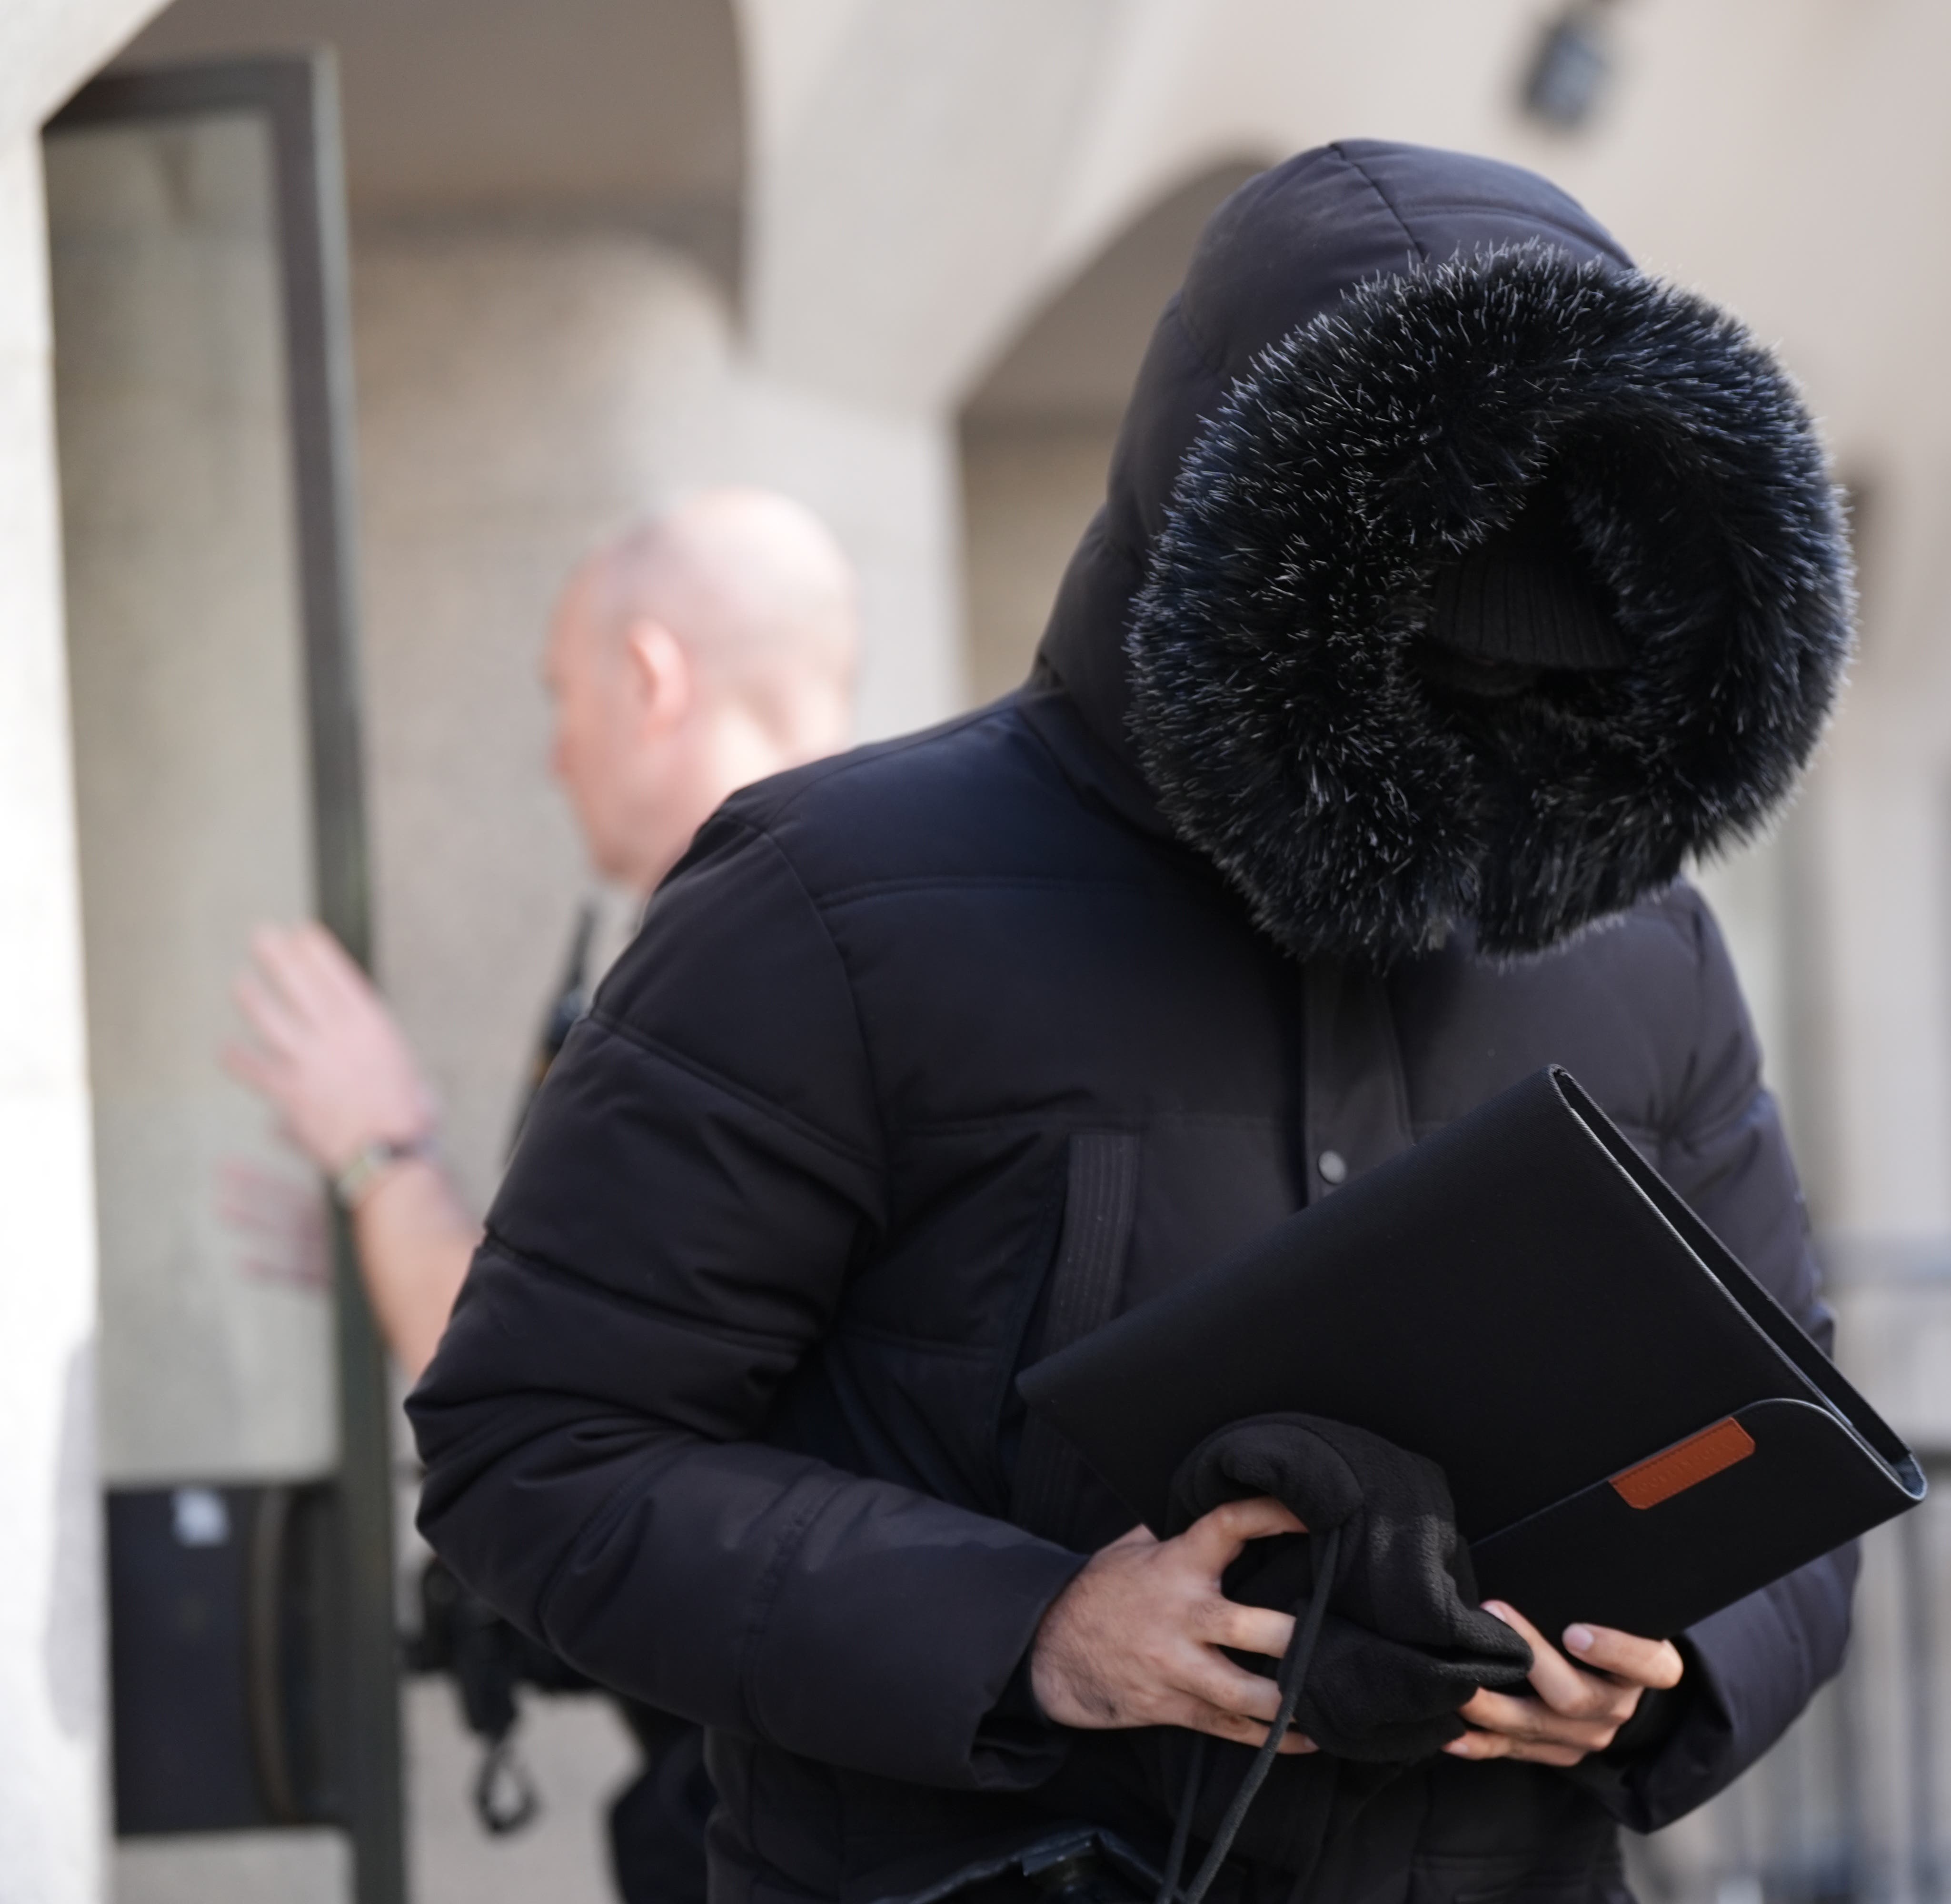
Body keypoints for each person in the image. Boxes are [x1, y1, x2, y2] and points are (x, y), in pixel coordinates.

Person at [409, 143, 1859, 1904]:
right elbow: (536, 1450)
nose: (1488, 696)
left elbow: (1797, 1452)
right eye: (1434, 646)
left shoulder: (1645, 946)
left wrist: (1668, 1669)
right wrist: (1035, 1631)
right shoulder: (828, 901)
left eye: (1546, 667)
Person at [224, 486, 861, 1901]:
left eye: (562, 693)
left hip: (792, 1802)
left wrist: (378, 1157)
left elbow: (541, 1376)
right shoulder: (868, 919)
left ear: (650, 677)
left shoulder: (749, 954)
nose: (554, 749)